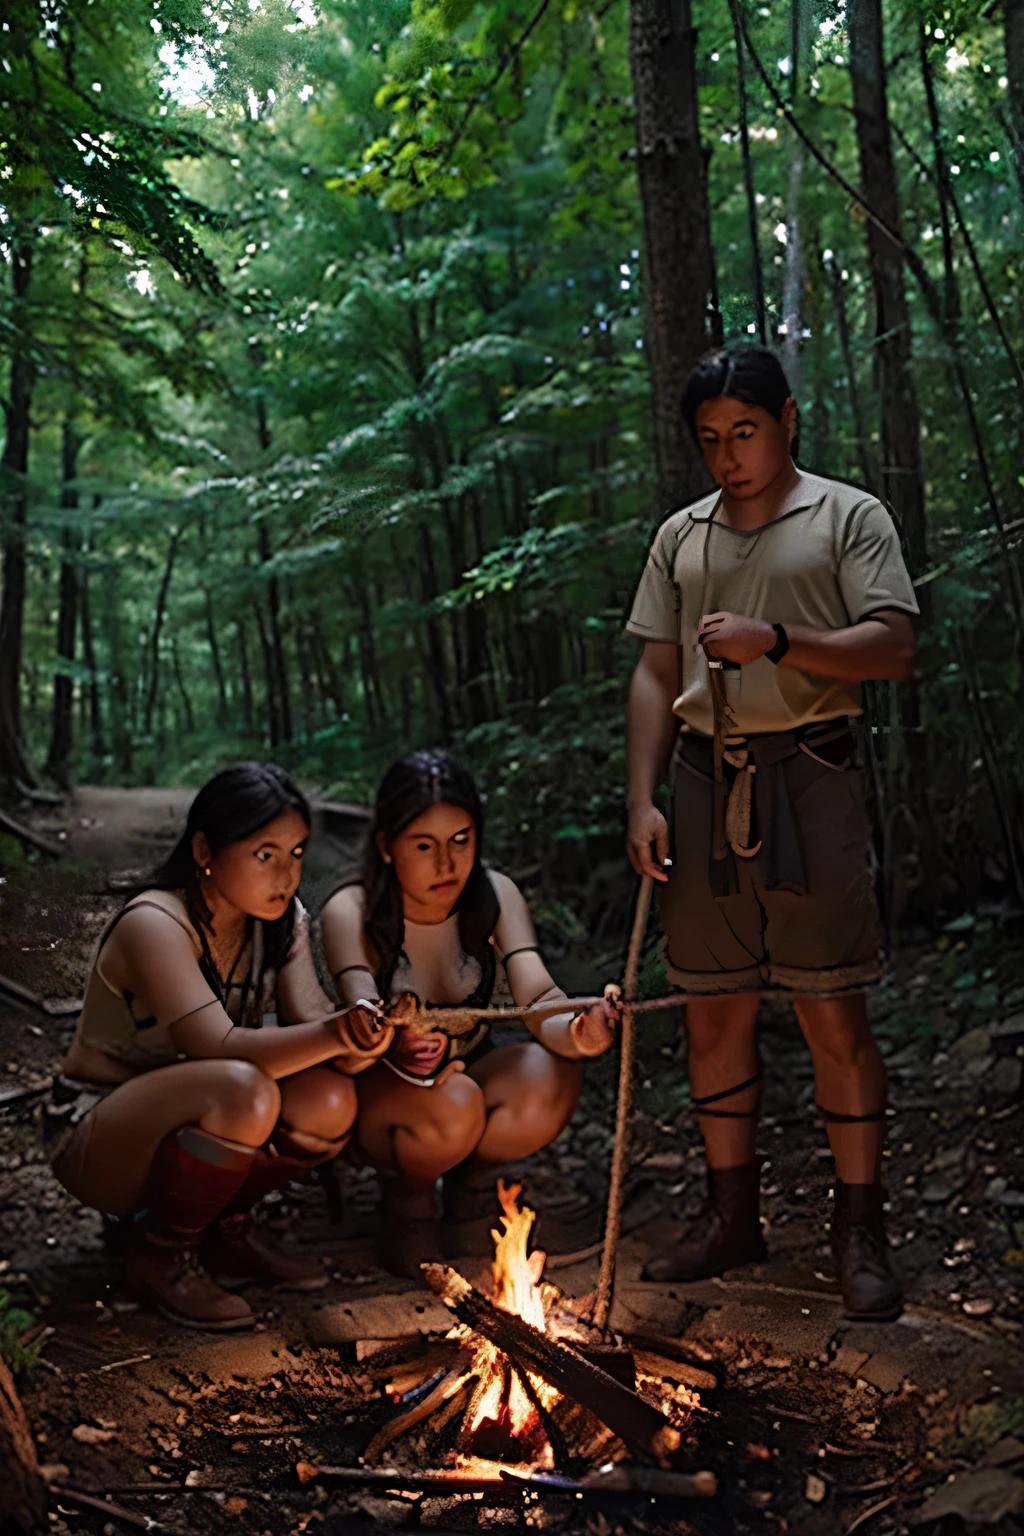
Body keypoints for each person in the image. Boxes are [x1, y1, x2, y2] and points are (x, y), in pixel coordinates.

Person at [625, 345, 918, 1321]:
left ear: (785, 419)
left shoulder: (845, 515)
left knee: (830, 1007)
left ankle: (858, 1228)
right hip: (705, 781)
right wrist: (643, 796)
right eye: (709, 440)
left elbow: (892, 646)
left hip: (813, 773)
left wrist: (778, 641)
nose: (727, 455)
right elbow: (655, 674)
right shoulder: (681, 537)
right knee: (712, 1010)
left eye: (743, 432)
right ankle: (729, 1214)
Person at [46, 763, 391, 1331]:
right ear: (205, 848)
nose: (287, 874)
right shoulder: (157, 921)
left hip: (204, 1111)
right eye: (265, 854)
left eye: (298, 853)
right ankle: (159, 1256)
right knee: (243, 1089)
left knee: (330, 1100)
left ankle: (223, 1232)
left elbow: (320, 1031)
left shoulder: (281, 921)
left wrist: (364, 1036)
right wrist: (334, 1035)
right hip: (99, 1130)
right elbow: (215, 1045)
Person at [319, 750, 620, 1277]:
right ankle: (408, 1202)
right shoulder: (353, 909)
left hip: (463, 1088)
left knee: (550, 1075)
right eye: (424, 846)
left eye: (461, 840)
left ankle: (471, 1185)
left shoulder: (494, 894)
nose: (447, 864)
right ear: (387, 847)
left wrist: (580, 1029)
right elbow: (358, 1009)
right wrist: (390, 1035)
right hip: (380, 1097)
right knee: (454, 1099)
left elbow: (537, 996)